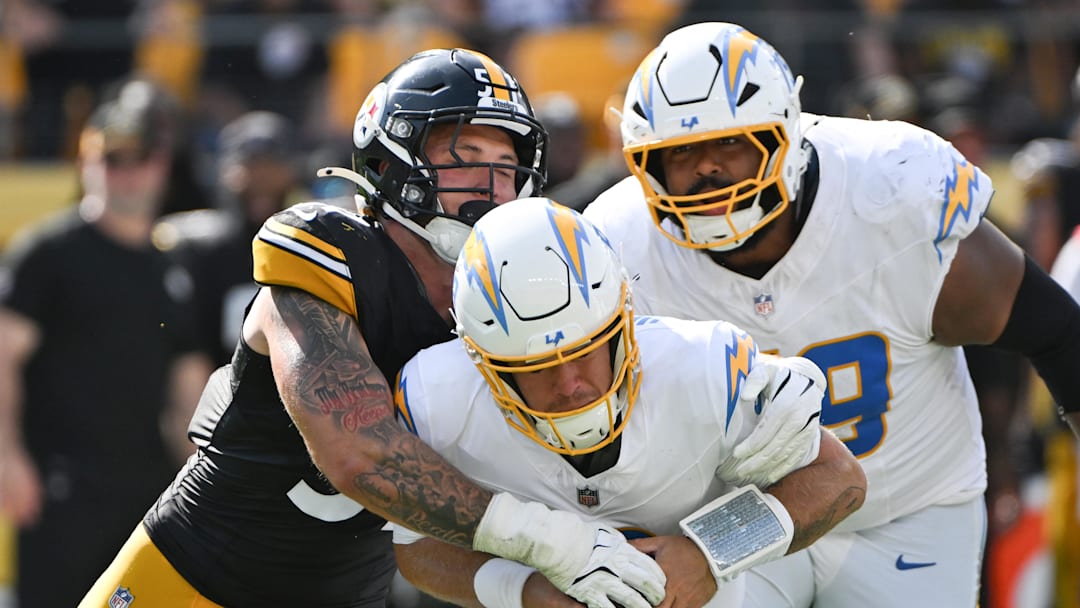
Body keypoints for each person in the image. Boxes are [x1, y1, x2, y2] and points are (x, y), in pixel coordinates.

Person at [79, 48, 669, 608]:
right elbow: (362, 457)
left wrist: (546, 585)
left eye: (508, 165)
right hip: (191, 583)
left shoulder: (516, 308)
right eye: (466, 158)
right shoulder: (329, 253)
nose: (494, 186)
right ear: (388, 164)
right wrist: (551, 539)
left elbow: (423, 547)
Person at [582, 21, 1080, 607]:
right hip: (727, 521)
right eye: (680, 152)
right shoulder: (616, 249)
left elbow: (1057, 334)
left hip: (906, 511)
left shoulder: (891, 195)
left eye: (730, 143)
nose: (706, 169)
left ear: (785, 136)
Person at [390, 197, 867, 607]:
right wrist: (525, 590)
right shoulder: (437, 401)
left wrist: (711, 551)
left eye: (586, 351)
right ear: (481, 362)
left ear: (624, 325)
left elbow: (838, 479)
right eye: (535, 368)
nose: (570, 383)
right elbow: (416, 550)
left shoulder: (700, 368)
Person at [0, 86, 205, 608]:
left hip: (146, 498)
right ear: (86, 159)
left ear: (162, 164)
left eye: (141, 157)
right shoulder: (48, 252)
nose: (127, 172)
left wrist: (204, 481)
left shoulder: (170, 266)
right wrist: (7, 457)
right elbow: (3, 357)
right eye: (112, 158)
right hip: (60, 490)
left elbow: (189, 391)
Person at [154, 110, 300, 367]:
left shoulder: (310, 249)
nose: (262, 180)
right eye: (251, 167)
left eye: (272, 166)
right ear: (225, 172)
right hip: (216, 394)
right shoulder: (198, 251)